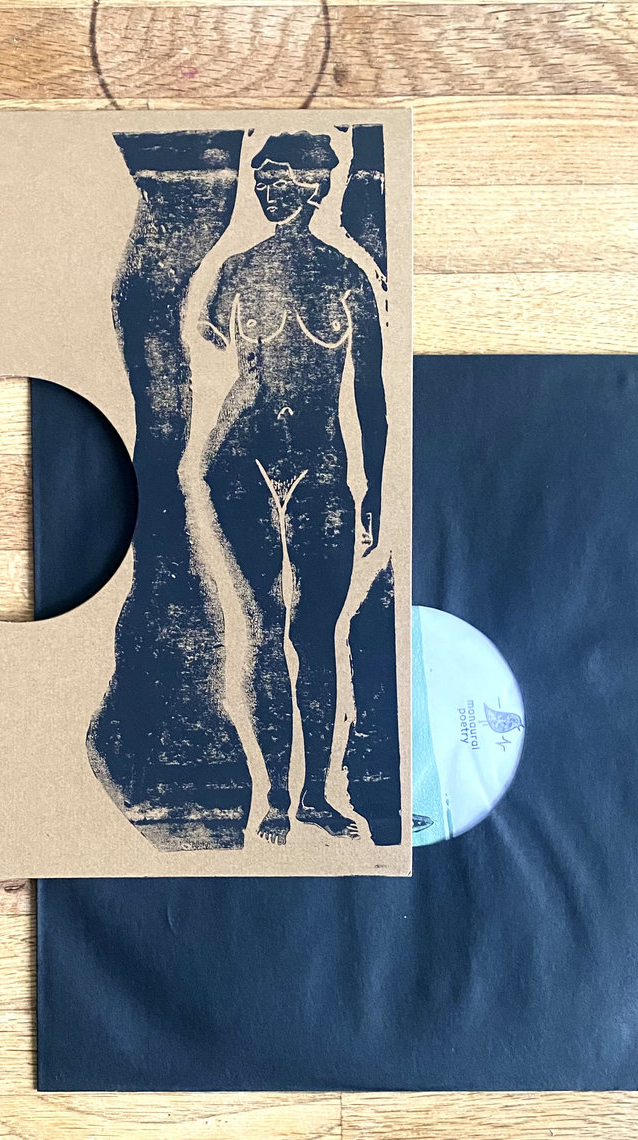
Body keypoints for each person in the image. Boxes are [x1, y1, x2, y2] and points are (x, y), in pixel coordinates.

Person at [201, 132, 387, 844]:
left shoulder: (347, 278)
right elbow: (217, 366)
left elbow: (371, 393)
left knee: (317, 633)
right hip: (240, 467)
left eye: (281, 179)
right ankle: (275, 797)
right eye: (262, 179)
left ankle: (315, 795)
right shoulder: (237, 272)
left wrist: (375, 484)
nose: (269, 192)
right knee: (263, 628)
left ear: (316, 185)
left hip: (324, 471)